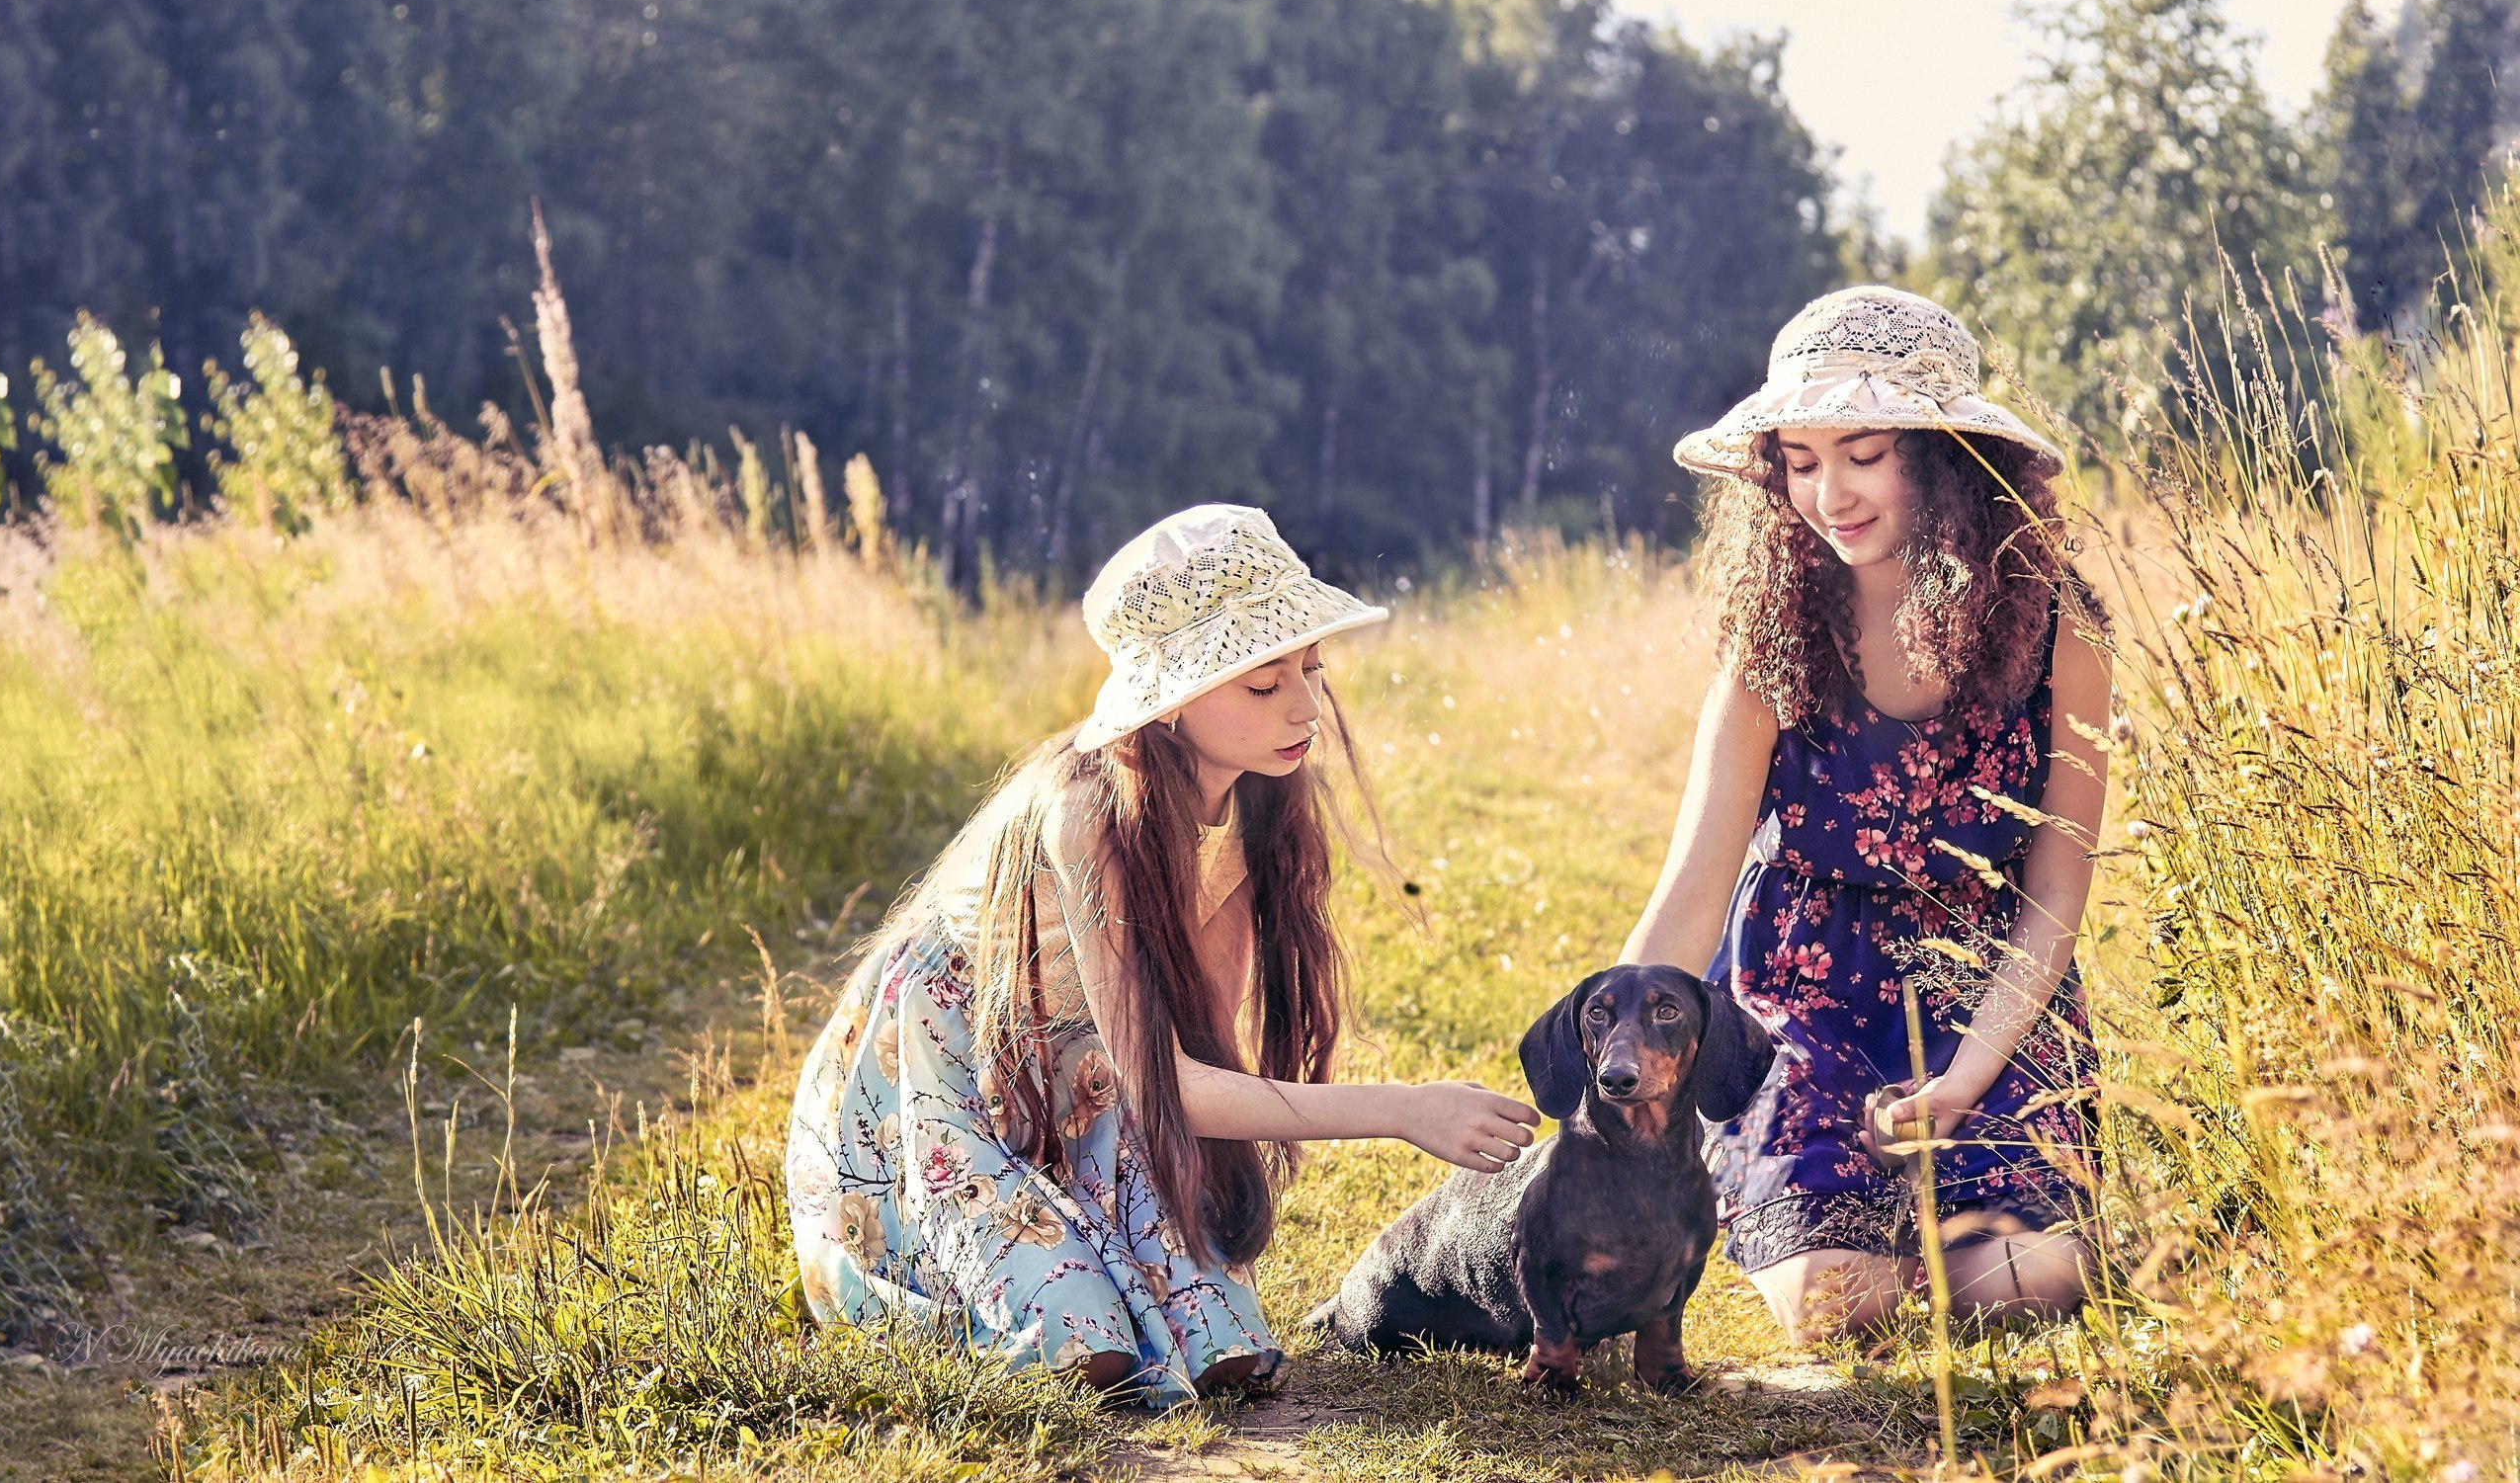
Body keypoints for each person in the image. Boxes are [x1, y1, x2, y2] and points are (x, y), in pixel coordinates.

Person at [785, 504, 1540, 1404]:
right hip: (955, 1062)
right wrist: (1403, 1109)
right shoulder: (1089, 809)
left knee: (1227, 1351)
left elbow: (1192, 1054)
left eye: (1310, 668)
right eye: (1263, 685)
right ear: (1173, 700)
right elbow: (1163, 1084)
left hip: (1106, 1068)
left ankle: (1121, 1264)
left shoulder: (1255, 803)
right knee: (1083, 1351)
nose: (1303, 706)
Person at [1621, 287, 2113, 1345]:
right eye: (1798, 461)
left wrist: (1969, 1073)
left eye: (1861, 452)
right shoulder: (1775, 634)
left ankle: (1991, 1232)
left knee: (2042, 1274)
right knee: (1832, 1307)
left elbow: (2056, 895)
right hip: (1805, 996)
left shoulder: (2057, 626)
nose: (1827, 493)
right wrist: (1605, 1080)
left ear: (1941, 458)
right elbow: (1695, 886)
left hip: (1985, 994)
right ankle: (1770, 1192)